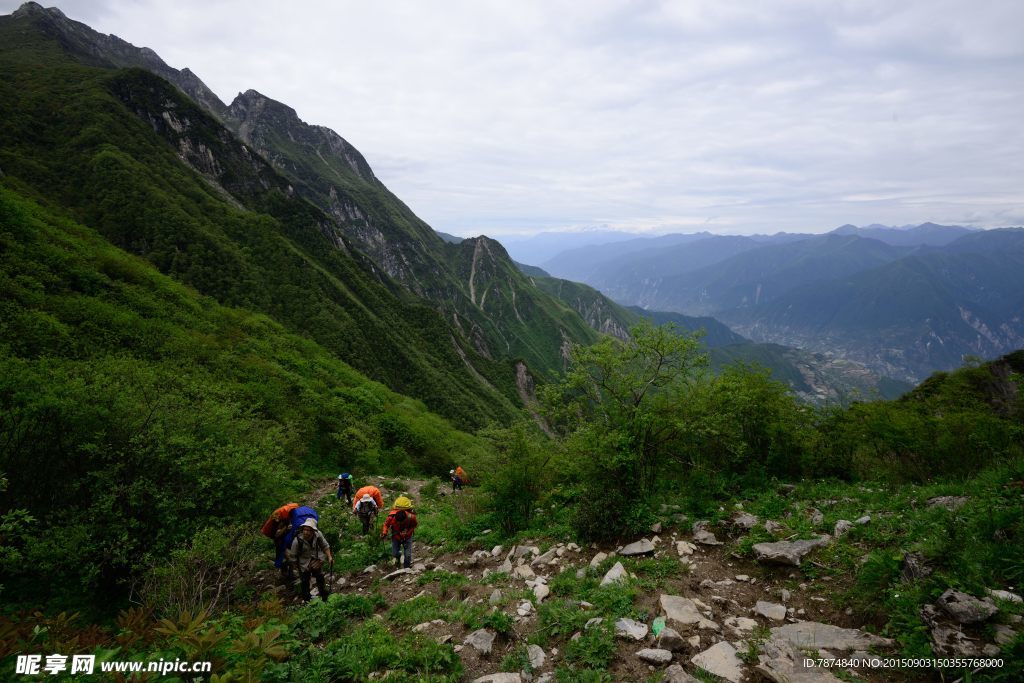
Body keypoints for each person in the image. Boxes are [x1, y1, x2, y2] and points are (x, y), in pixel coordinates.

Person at [286, 518, 334, 602]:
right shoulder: (297, 541)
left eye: (308, 530)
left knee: (320, 578)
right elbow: (293, 557)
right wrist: (298, 569)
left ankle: (324, 596)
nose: (306, 532)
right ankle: (307, 599)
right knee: (305, 582)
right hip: (303, 563)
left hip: (316, 559)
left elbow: (325, 546)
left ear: (313, 531)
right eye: (305, 529)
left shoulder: (318, 535)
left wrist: (329, 557)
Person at [260, 502, 299, 579]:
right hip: (279, 540)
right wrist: (286, 528)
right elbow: (277, 534)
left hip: (285, 538)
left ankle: (287, 572)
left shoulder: (287, 515)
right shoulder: (280, 518)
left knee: (289, 555)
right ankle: (289, 574)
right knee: (287, 556)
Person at [381, 496, 418, 568]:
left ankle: (406, 569)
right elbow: (386, 525)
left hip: (407, 537)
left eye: (402, 522)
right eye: (398, 522)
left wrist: (408, 533)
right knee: (395, 553)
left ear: (405, 518)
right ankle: (398, 559)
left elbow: (414, 526)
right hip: (396, 536)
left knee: (408, 555)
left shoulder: (412, 517)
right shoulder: (391, 517)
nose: (400, 523)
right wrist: (384, 532)